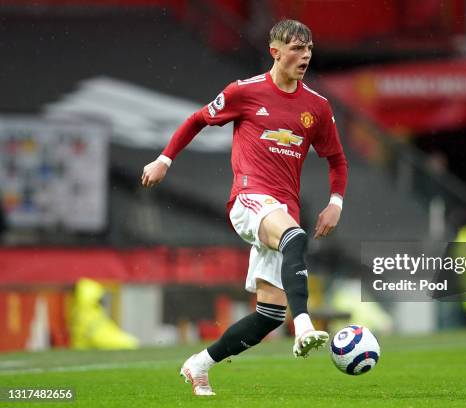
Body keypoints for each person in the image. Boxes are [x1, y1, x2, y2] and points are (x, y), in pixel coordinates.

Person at [141, 19, 348, 396]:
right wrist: (163, 160)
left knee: (267, 317)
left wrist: (335, 203)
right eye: (297, 49)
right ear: (275, 51)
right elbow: (197, 119)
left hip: (282, 208)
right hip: (249, 200)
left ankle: (199, 365)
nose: (305, 56)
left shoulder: (316, 107)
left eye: (310, 49)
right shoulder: (245, 92)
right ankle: (303, 324)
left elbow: (337, 160)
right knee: (295, 236)